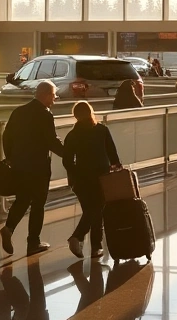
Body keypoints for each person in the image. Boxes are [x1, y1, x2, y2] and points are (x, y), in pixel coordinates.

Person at [0, 80, 65, 256]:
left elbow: (7, 136)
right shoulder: (45, 114)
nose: (54, 99)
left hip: (20, 164)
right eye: (53, 95)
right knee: (38, 204)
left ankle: (9, 228)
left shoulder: (19, 111)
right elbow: (51, 141)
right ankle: (33, 242)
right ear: (44, 94)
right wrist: (69, 154)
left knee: (22, 198)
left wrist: (11, 158)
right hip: (38, 167)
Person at [63, 101, 122, 259]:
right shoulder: (102, 130)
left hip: (81, 180)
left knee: (91, 211)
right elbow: (112, 152)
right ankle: (86, 241)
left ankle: (89, 243)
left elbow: (67, 161)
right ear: (91, 113)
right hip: (101, 177)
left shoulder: (72, 135)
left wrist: (76, 174)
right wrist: (117, 166)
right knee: (97, 211)